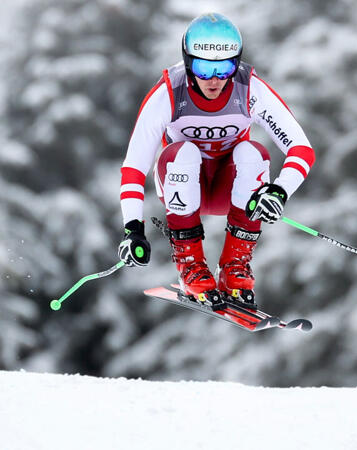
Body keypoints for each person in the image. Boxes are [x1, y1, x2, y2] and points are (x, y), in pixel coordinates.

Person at [117, 12, 316, 306]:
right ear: (187, 62)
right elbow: (134, 168)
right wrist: (132, 228)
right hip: (181, 186)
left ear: (236, 63)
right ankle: (190, 265)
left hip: (231, 189)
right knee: (182, 152)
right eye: (202, 68)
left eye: (224, 70)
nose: (213, 80)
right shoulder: (168, 94)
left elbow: (301, 148)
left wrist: (279, 191)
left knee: (253, 152)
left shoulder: (250, 90)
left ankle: (235, 267)